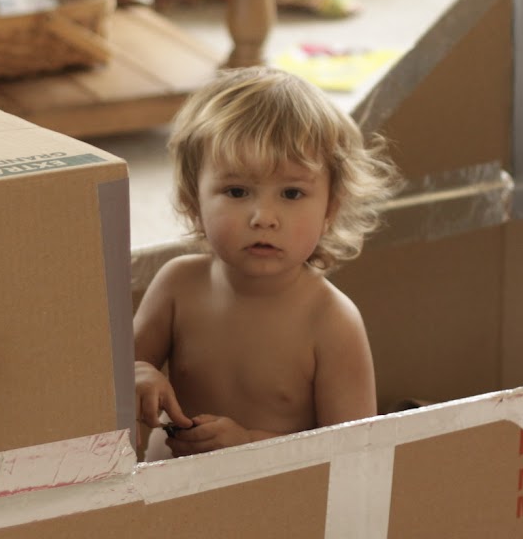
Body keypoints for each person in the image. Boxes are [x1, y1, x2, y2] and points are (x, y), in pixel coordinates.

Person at [133, 66, 402, 458]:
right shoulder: (177, 285)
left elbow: (355, 454)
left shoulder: (331, 321)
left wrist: (248, 446)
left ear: (331, 207)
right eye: (237, 191)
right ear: (194, 202)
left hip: (276, 505)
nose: (264, 217)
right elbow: (109, 381)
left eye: (291, 193)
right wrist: (138, 375)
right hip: (167, 495)